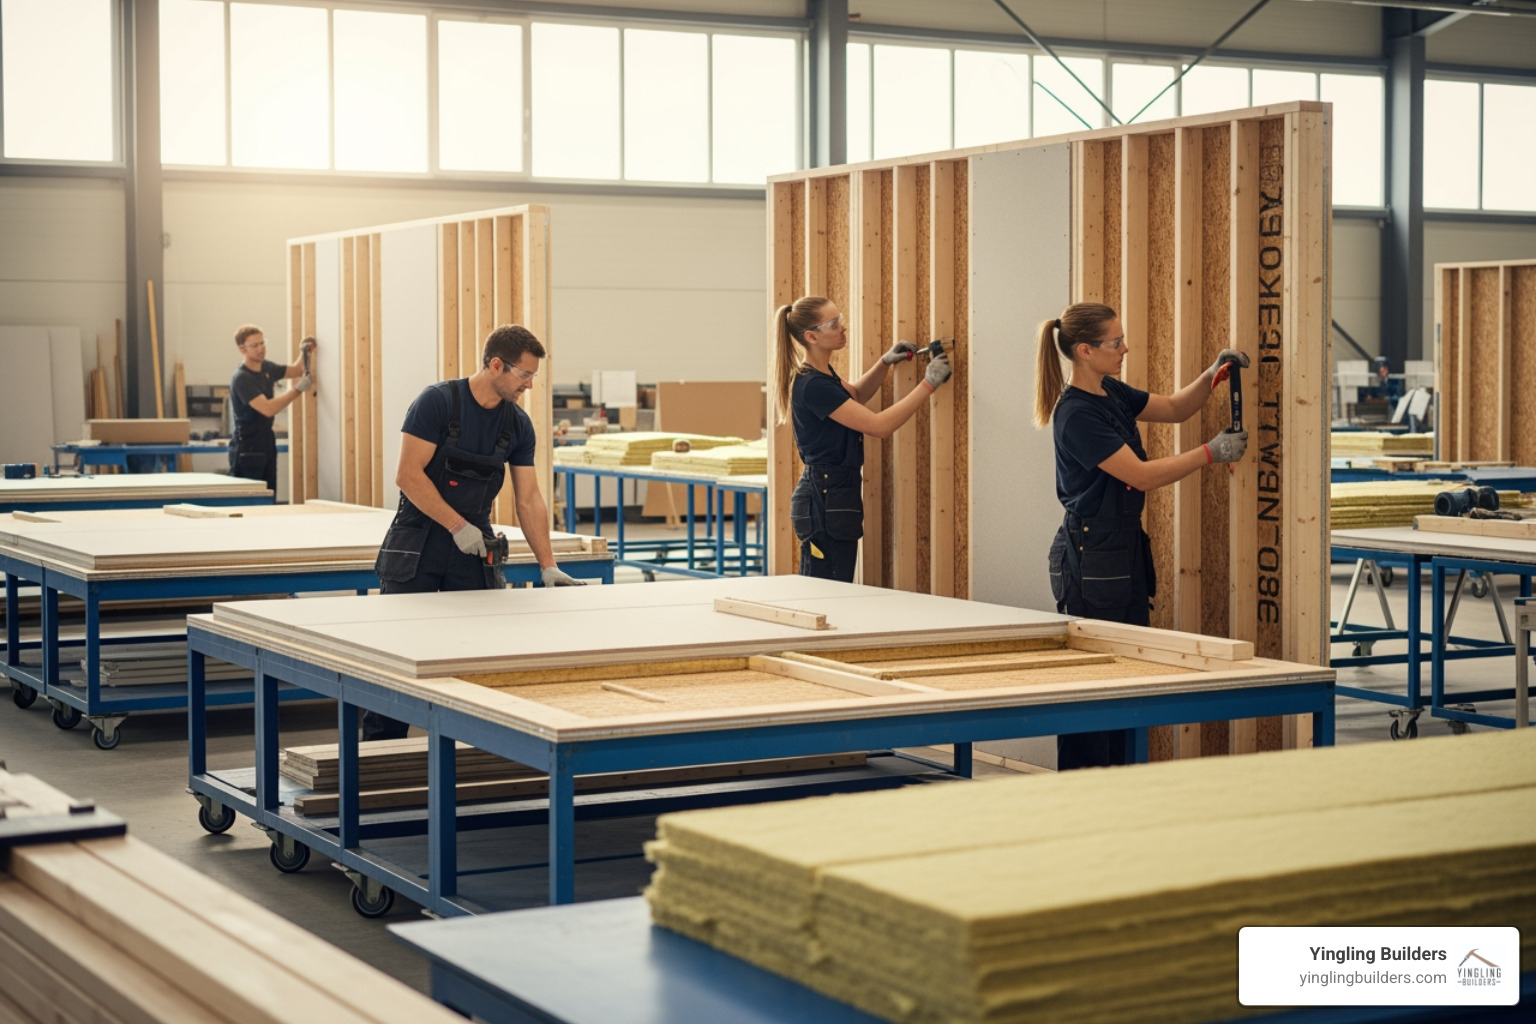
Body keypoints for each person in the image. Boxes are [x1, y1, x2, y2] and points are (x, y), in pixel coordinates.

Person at [1034, 302, 1249, 769]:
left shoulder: (1109, 390)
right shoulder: (1075, 414)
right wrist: (1209, 454)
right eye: (1115, 343)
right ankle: (1085, 793)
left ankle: (1122, 788)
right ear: (1085, 351)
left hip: (1122, 549)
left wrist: (1213, 371)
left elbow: (1173, 408)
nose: (1124, 348)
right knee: (1094, 689)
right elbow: (1141, 475)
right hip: (1091, 558)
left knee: (1128, 676)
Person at [365, 323, 584, 742]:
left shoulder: (517, 425)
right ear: (496, 365)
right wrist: (456, 524)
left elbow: (530, 499)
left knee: (475, 656)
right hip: (418, 543)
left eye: (534, 376)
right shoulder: (437, 403)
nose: (530, 385)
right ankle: (379, 755)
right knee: (398, 655)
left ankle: (468, 753)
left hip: (472, 550)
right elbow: (408, 476)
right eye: (524, 375)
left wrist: (548, 564)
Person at [773, 296, 951, 582]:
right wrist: (928, 384)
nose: (843, 327)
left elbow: (853, 396)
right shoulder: (813, 385)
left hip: (833, 491)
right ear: (811, 336)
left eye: (840, 318)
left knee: (836, 585)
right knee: (827, 590)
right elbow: (878, 426)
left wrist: (884, 363)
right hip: (824, 497)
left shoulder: (823, 374)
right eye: (834, 324)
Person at [228, 325, 313, 493]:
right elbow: (267, 409)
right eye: (255, 345)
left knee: (269, 492)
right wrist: (297, 390)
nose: (261, 349)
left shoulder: (266, 368)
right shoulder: (242, 378)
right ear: (242, 350)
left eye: (262, 343)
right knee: (250, 497)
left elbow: (296, 370)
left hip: (266, 439)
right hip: (248, 444)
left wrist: (305, 351)